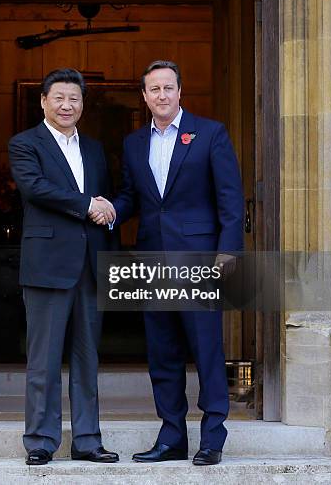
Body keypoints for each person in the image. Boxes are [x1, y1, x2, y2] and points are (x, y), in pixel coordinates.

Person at [93, 60, 243, 466]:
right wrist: (110, 210)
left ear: (180, 92)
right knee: (162, 353)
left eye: (168, 88)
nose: (161, 95)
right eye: (154, 89)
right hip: (152, 258)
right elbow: (131, 197)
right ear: (144, 96)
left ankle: (212, 437)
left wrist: (228, 257)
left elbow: (230, 200)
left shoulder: (210, 133)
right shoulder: (133, 143)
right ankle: (172, 436)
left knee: (207, 350)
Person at [8, 68, 118, 466]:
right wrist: (88, 204)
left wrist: (107, 212)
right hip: (47, 265)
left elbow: (106, 198)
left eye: (74, 98)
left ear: (82, 103)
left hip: (89, 265)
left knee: (88, 360)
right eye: (59, 98)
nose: (67, 105)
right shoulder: (25, 144)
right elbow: (35, 188)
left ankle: (88, 440)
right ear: (43, 101)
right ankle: (40, 441)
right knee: (44, 360)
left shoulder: (93, 148)